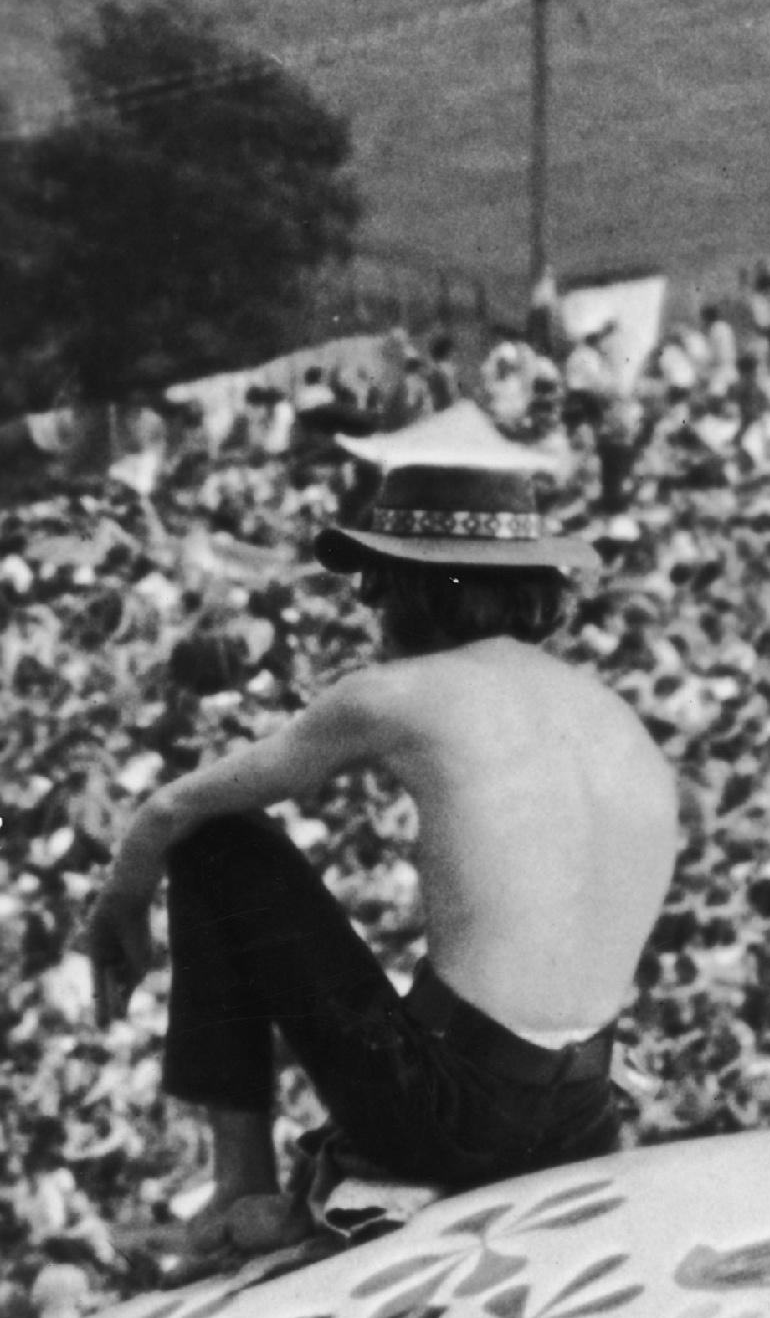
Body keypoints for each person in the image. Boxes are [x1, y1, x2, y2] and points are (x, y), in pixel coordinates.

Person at [79, 408, 679, 1268]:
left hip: (457, 1116)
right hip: (585, 1113)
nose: (369, 609)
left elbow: (175, 810)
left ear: (411, 587)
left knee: (223, 845)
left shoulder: (393, 695)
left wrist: (121, 901)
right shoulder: (615, 717)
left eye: (376, 584)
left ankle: (238, 1187)